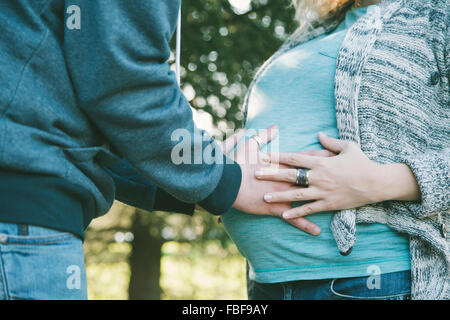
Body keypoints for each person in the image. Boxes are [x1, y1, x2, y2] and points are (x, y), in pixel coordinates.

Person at [0, 0, 293, 300]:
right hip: (22, 227)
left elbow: (84, 98)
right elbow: (121, 74)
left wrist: (197, 177)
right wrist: (228, 180)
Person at [221, 0, 449, 300]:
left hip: (374, 282)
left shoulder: (439, 13)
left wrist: (379, 182)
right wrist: (221, 176)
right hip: (268, 283)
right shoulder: (312, 32)